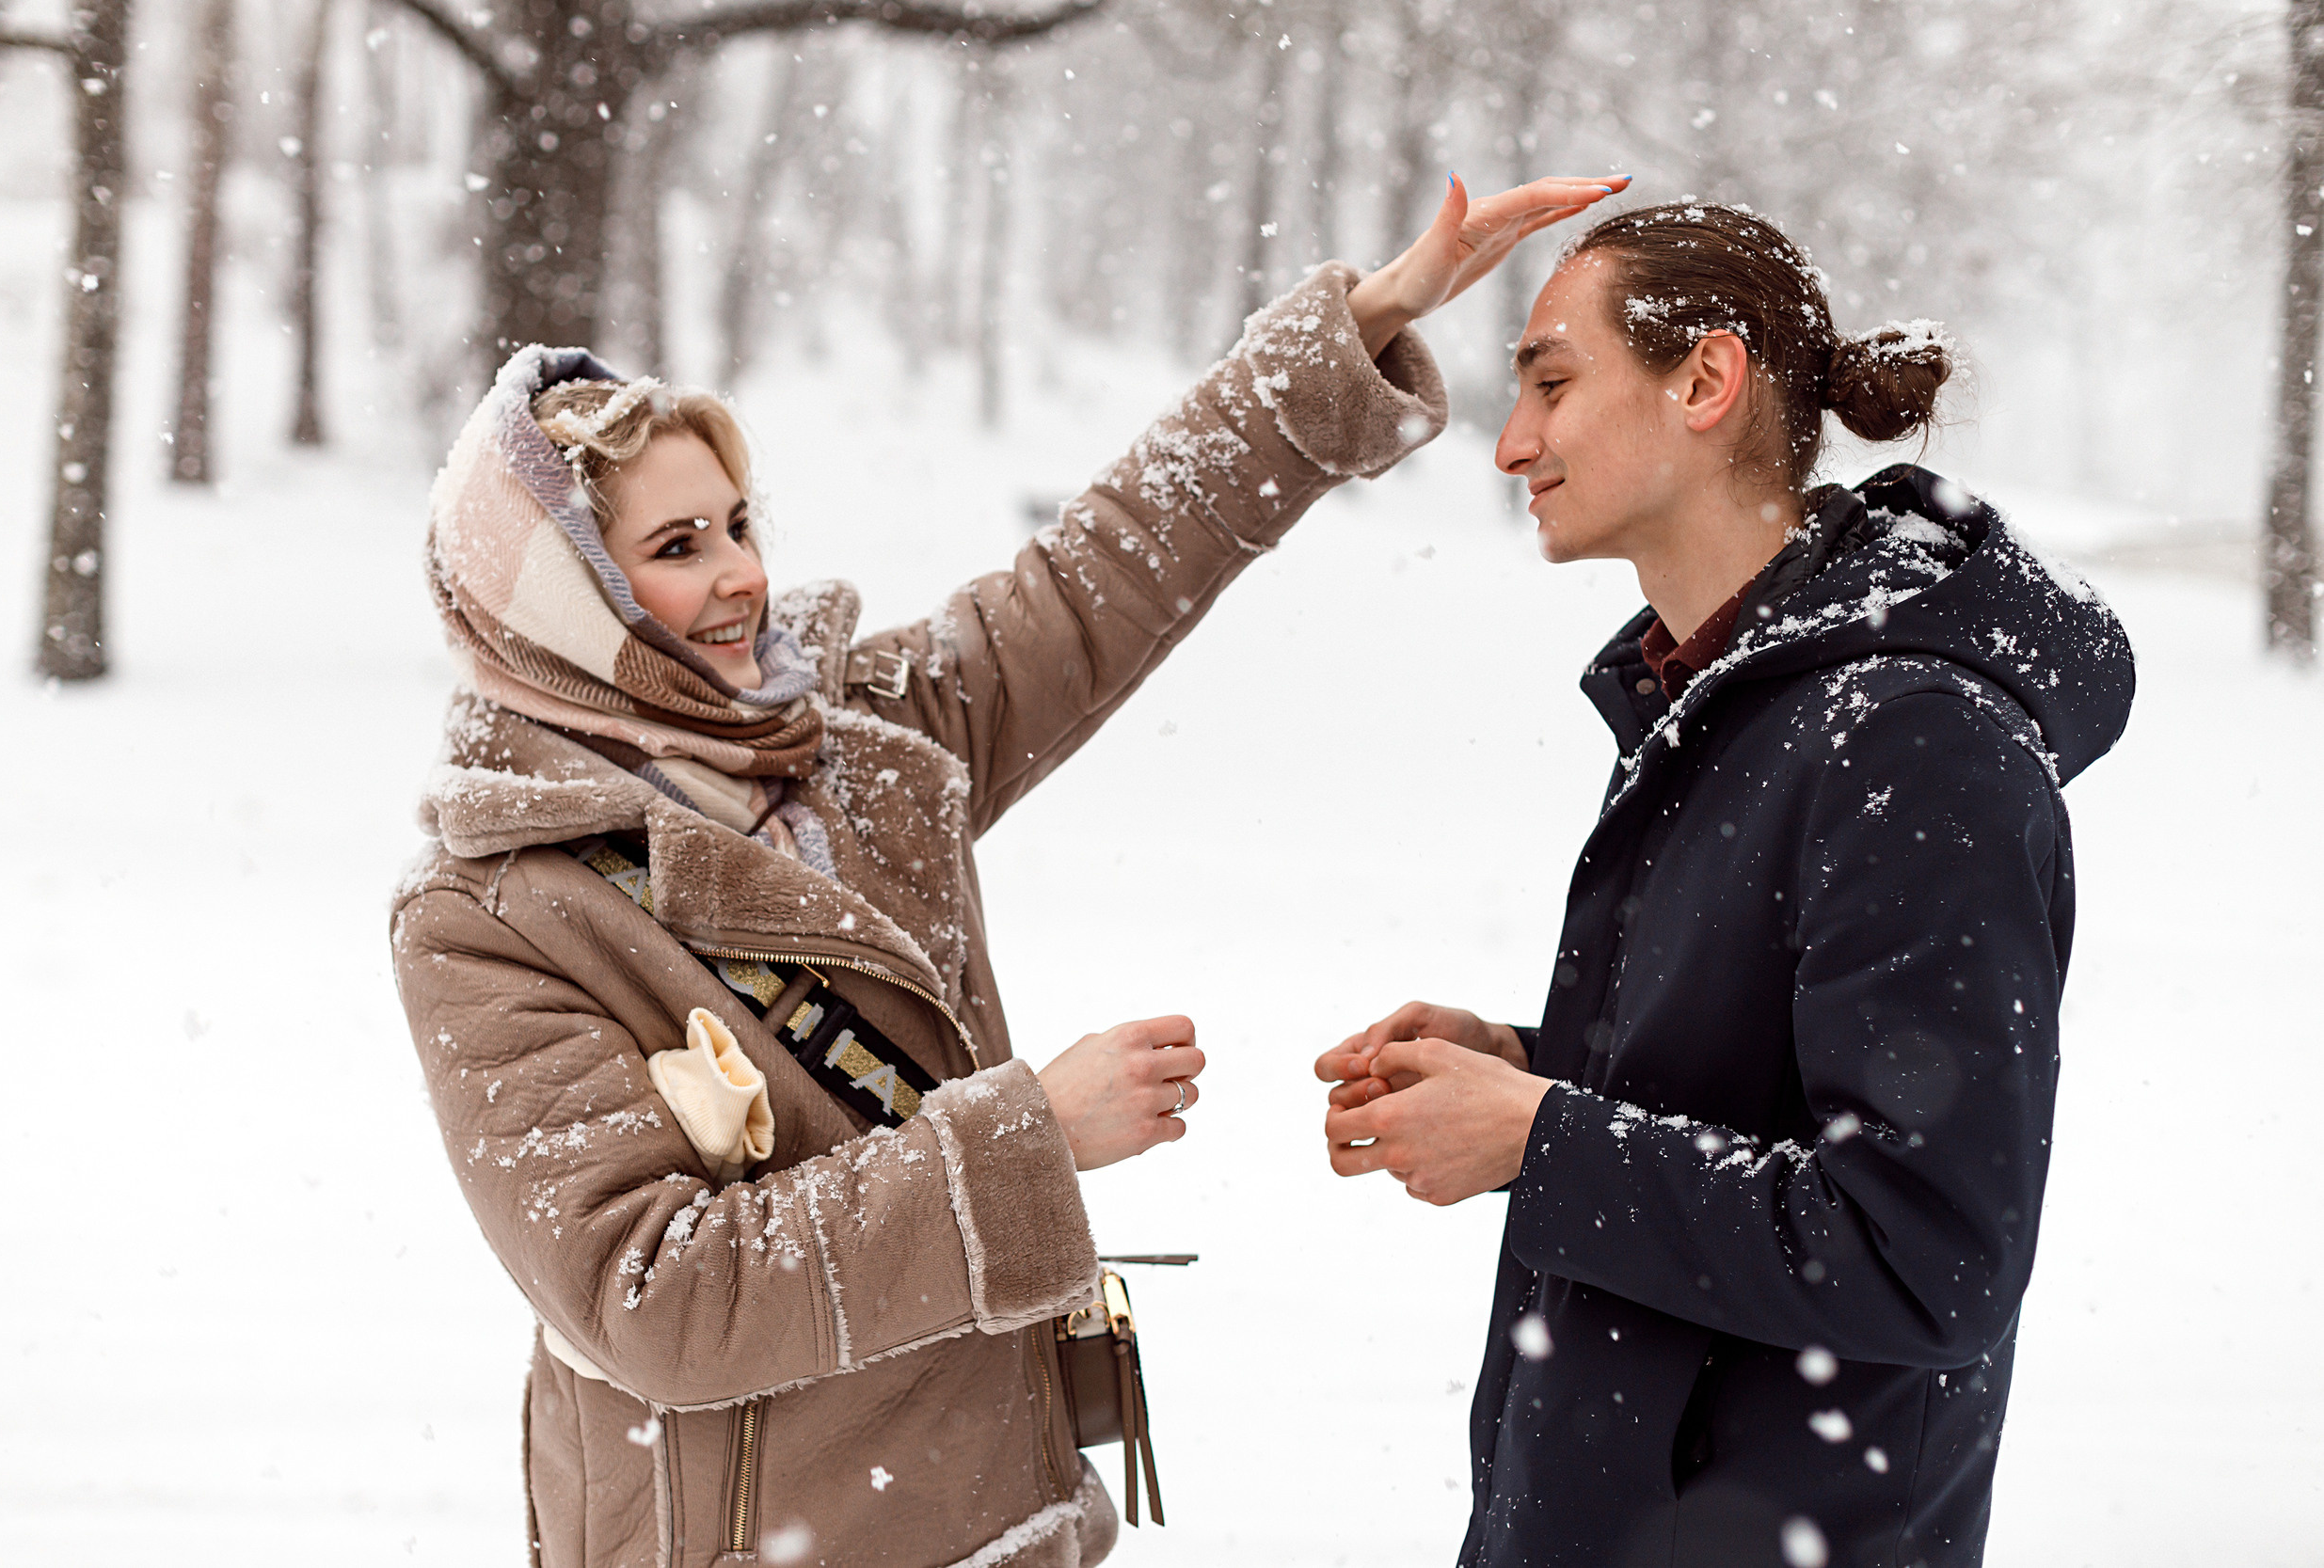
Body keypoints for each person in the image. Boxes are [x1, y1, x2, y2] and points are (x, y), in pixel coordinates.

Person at [390, 172, 1630, 1568]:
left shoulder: (845, 735)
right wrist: (1028, 1135)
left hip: (1003, 1521)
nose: (739, 576)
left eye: (740, 523)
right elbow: (657, 1301)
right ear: (564, 599)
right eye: (676, 547)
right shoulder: (493, 909)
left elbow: (1095, 579)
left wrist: (1344, 344)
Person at [1316, 202, 2135, 1566]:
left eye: (1552, 383)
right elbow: (1742, 1095)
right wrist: (1521, 1066)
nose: (1513, 442)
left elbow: (1922, 1256)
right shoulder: (1716, 703)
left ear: (1705, 382)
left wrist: (1540, 1137)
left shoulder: (1912, 740)